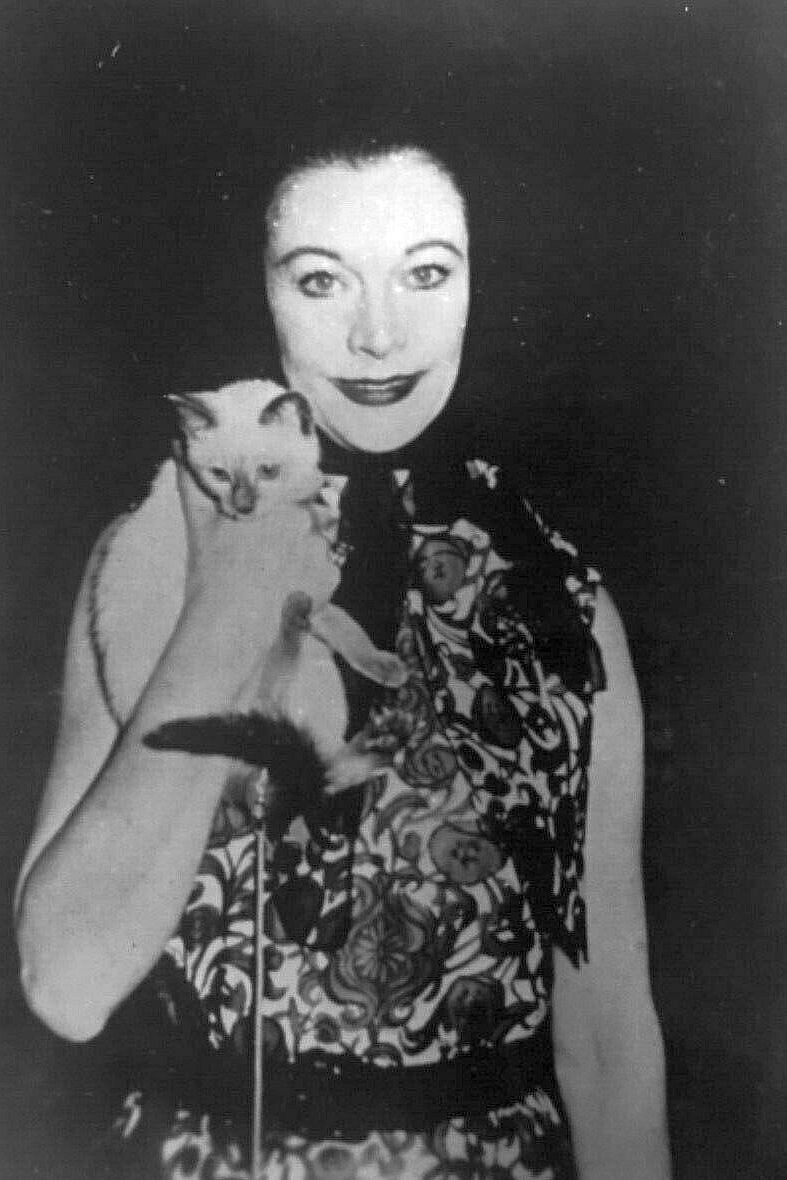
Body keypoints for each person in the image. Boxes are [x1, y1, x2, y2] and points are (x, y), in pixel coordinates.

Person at [15, 134, 671, 1179]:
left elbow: (607, 1041)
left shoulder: (562, 604)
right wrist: (226, 603)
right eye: (321, 280)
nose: (377, 335)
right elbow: (67, 985)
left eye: (426, 273)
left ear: (479, 285)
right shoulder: (145, 553)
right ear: (261, 291)